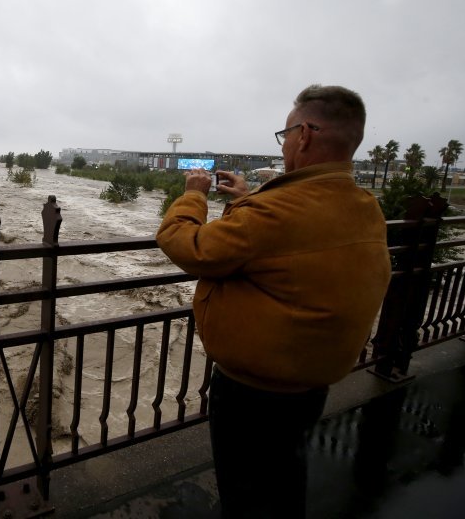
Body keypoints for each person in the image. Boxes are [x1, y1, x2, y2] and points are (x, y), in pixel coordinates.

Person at [156, 84, 391, 518]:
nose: (284, 149)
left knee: (246, 492)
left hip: (254, 394)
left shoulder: (275, 212)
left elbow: (186, 245)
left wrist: (194, 194)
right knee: (283, 474)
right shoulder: (362, 204)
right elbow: (294, 240)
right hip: (310, 383)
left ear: (305, 134)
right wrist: (248, 200)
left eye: (284, 137)